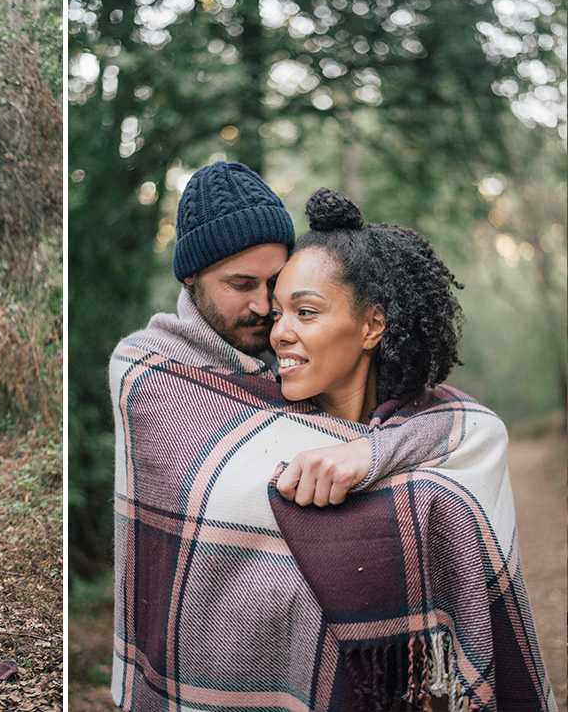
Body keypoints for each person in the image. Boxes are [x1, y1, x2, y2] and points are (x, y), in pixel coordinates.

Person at [108, 163, 554, 711]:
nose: (264, 312)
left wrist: (370, 452)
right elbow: (251, 493)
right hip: (201, 667)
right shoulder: (151, 368)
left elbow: (474, 428)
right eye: (241, 285)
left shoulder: (306, 375)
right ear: (191, 280)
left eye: (278, 290)